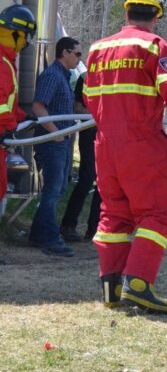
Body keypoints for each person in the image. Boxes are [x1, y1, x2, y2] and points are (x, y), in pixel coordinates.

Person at [83, 0, 167, 314]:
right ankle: (139, 284)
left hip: (104, 144)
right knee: (156, 215)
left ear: (126, 11)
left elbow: (88, 96)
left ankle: (111, 286)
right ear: (156, 15)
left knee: (114, 214)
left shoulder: (97, 49)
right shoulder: (154, 45)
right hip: (140, 143)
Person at [28, 36, 82, 257]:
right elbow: (38, 107)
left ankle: (38, 234)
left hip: (61, 142)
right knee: (52, 190)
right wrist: (56, 134)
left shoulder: (63, 76)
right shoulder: (52, 75)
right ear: (65, 53)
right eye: (77, 54)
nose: (80, 58)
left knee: (58, 189)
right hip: (52, 143)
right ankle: (50, 239)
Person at [0, 5, 37, 209]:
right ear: (15, 33)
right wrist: (6, 127)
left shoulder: (6, 60)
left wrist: (23, 118)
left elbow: (8, 103)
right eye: (26, 37)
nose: (26, 44)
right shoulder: (2, 63)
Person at [60, 67, 101, 242]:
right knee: (87, 177)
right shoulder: (86, 77)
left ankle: (95, 230)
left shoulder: (119, 75)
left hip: (109, 135)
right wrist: (100, 116)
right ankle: (68, 225)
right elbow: (77, 107)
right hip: (89, 132)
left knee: (104, 182)